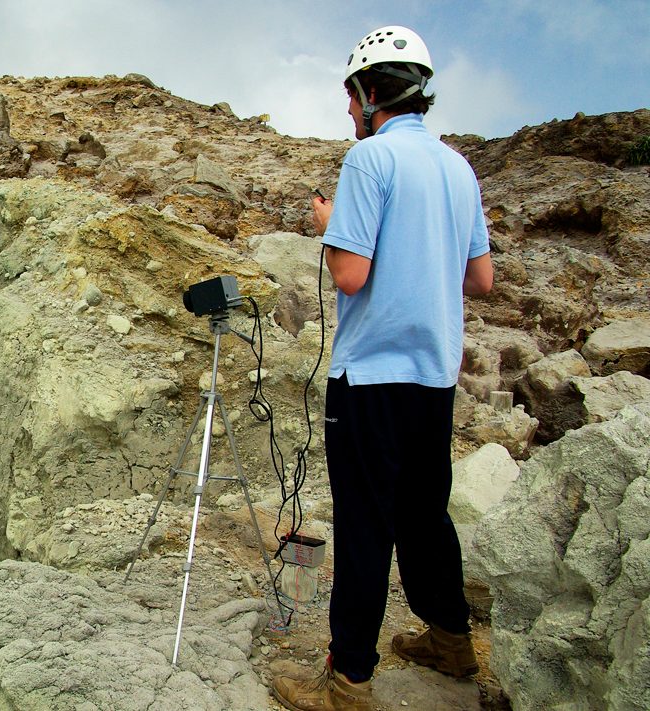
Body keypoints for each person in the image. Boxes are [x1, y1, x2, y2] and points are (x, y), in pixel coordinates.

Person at [270, 25, 494, 711]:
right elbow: (481, 279)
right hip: (435, 378)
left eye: (349, 96)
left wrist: (331, 224)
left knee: (366, 523)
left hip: (370, 378)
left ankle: (350, 681)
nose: (347, 111)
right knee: (426, 513)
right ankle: (452, 640)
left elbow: (350, 272)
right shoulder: (459, 168)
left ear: (371, 93)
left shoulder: (368, 163)